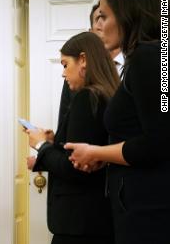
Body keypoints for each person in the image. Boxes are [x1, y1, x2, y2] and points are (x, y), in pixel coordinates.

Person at [66, 0, 170, 243]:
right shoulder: (156, 56)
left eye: (103, 16)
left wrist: (95, 152)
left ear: (126, 14)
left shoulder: (148, 57)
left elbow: (157, 145)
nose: (97, 26)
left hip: (147, 212)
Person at [25, 32, 119, 244]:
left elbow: (74, 168)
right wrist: (55, 142)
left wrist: (40, 145)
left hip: (78, 224)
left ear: (83, 60)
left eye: (65, 65)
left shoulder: (87, 98)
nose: (63, 73)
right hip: (99, 220)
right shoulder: (107, 95)